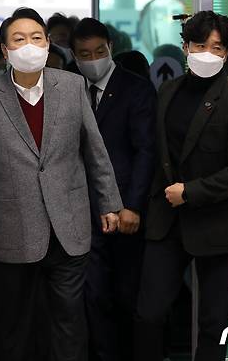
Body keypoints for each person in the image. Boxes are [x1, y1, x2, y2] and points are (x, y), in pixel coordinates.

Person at [0, 7, 123, 361]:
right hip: (11, 228)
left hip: (68, 224)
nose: (29, 45)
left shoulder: (72, 86)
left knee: (68, 323)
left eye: (36, 38)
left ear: (47, 43)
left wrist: (109, 203)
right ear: (4, 49)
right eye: (19, 39)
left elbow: (95, 151)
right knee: (12, 326)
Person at [134, 11, 228, 361]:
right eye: (200, 45)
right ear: (185, 47)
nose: (208, 53)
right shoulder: (168, 90)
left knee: (214, 321)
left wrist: (190, 192)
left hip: (217, 222)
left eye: (217, 47)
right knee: (149, 313)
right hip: (167, 222)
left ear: (227, 53)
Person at [71, 18, 157, 361]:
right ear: (74, 56)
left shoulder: (136, 89)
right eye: (84, 54)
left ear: (111, 49)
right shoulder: (70, 86)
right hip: (83, 211)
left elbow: (146, 151)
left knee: (127, 294)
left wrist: (133, 206)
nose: (92, 59)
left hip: (124, 210)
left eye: (99, 51)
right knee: (93, 296)